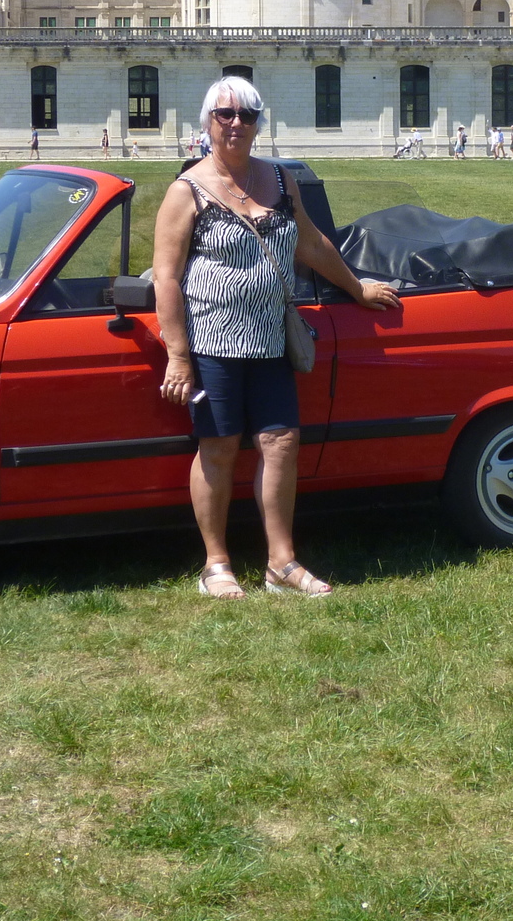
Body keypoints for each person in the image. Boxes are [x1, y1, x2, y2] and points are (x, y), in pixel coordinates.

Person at [155, 76, 402, 600]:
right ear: (208, 122)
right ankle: (216, 564)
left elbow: (310, 243)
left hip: (270, 340)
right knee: (218, 447)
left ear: (258, 123)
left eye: (246, 115)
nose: (236, 124)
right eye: (225, 114)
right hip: (213, 344)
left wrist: (357, 288)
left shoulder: (280, 181)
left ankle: (281, 564)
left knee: (282, 443)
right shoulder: (187, 190)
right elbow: (167, 277)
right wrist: (178, 356)